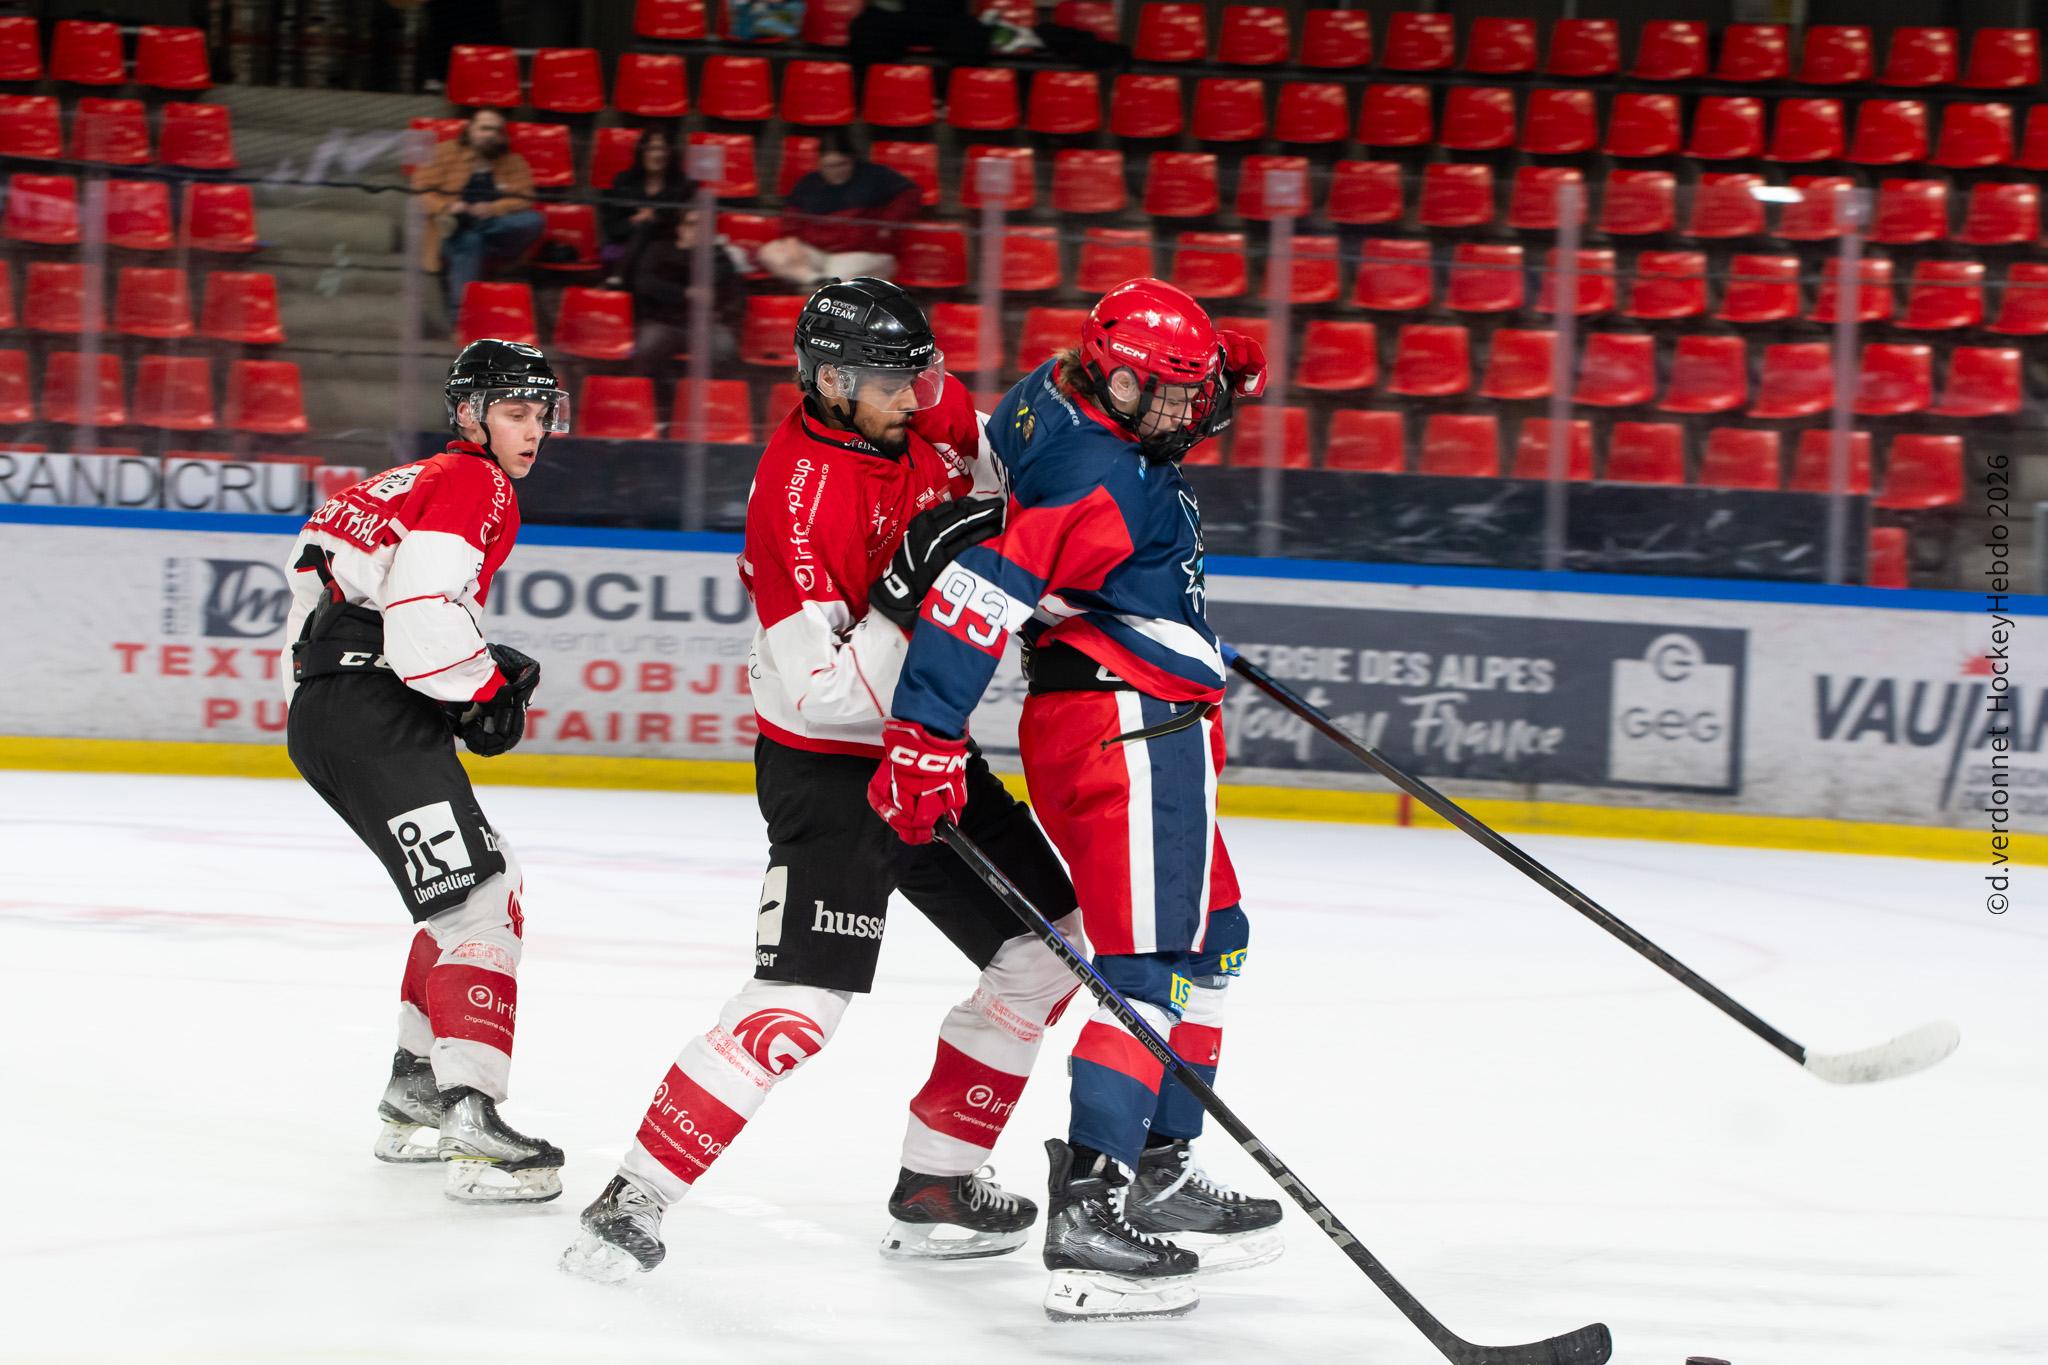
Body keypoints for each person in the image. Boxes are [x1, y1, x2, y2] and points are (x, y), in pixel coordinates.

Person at [560, 279, 1088, 1282]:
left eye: (921, 370)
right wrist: (903, 596)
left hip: (929, 753)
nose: (921, 391)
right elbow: (817, 696)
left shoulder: (916, 411)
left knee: (1044, 951)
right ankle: (634, 1194)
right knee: (802, 1001)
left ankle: (937, 1183)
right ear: (833, 380)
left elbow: (1011, 476)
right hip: (832, 773)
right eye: (896, 377)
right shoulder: (797, 499)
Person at [865, 279, 1283, 1321]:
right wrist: (923, 737)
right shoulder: (1099, 479)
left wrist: (1156, 614)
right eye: (1174, 395)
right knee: (1143, 966)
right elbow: (978, 595)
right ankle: (1092, 1213)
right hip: (1124, 726)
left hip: (1130, 710)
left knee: (1214, 937)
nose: (1193, 415)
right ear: (1121, 379)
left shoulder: (1048, 397)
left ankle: (1159, 1163)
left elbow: (1067, 549)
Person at [280, 339, 570, 1204]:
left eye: (541, 412)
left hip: (329, 710)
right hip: (375, 712)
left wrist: (374, 691)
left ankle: (415, 1087)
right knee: (481, 901)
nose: (534, 429)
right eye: (516, 411)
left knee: (475, 885)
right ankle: (471, 1120)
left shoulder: (388, 485)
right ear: (469, 413)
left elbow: (312, 601)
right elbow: (421, 606)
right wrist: (478, 692)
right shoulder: (477, 483)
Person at [412, 108, 543, 317]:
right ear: (470, 129)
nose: (490, 134)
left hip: (495, 228)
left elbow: (525, 197)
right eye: (484, 128)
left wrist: (491, 209)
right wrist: (447, 207)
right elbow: (421, 189)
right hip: (451, 229)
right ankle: (461, 317)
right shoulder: (443, 152)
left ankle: (474, 225)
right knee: (470, 241)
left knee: (533, 220)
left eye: (496, 130)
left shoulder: (513, 161)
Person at [758, 130, 922, 291]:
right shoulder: (808, 184)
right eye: (828, 166)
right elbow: (791, 223)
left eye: (841, 164)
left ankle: (819, 287)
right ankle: (813, 280)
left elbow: (910, 194)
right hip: (817, 253)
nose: (835, 171)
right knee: (771, 252)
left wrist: (887, 225)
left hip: (863, 254)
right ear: (819, 164)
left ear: (852, 160)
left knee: (836, 277)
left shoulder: (877, 176)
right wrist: (792, 246)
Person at [626, 206, 748, 378]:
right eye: (692, 224)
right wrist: (684, 293)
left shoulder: (718, 256)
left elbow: (735, 293)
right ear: (680, 228)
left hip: (707, 325)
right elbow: (644, 284)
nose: (698, 230)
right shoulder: (659, 251)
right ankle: (655, 398)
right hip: (664, 322)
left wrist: (721, 311)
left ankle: (715, 399)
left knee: (724, 347)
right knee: (647, 346)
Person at [599, 128, 696, 283]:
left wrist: (655, 218)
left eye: (663, 149)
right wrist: (635, 220)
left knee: (648, 233)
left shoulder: (682, 185)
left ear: (670, 153)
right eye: (651, 149)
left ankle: (619, 278)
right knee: (642, 228)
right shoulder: (624, 182)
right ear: (641, 152)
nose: (657, 155)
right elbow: (612, 227)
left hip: (665, 247)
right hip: (627, 240)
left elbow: (684, 227)